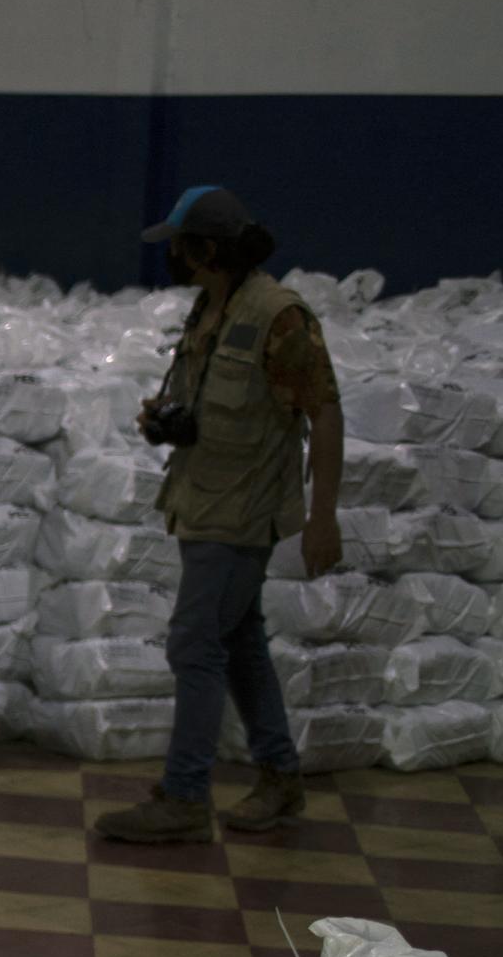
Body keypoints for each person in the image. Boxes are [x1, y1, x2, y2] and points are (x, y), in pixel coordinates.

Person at [94, 186, 343, 843]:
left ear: (207, 249)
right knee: (237, 640)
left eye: (179, 244)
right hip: (201, 497)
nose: (171, 256)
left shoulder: (279, 316)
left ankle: (184, 796)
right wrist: (167, 423)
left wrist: (324, 519)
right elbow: (214, 404)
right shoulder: (210, 307)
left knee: (194, 642)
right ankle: (280, 777)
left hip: (243, 509)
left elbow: (323, 410)